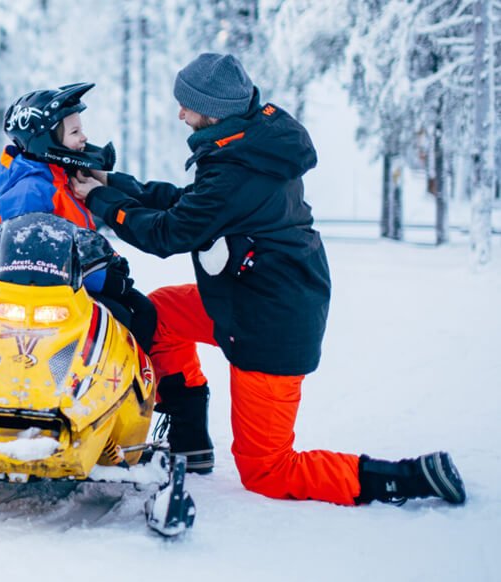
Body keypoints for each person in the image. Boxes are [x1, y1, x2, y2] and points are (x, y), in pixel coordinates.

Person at [71, 53, 466, 506]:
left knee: (268, 471)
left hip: (270, 325)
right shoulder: (247, 148)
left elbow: (170, 232)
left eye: (186, 105)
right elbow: (190, 203)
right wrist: (114, 182)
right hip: (249, 300)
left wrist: (104, 201)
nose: (179, 113)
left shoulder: (237, 168)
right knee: (159, 313)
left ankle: (409, 479)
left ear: (212, 111)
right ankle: (191, 440)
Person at [0, 82, 157, 353]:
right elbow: (38, 263)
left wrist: (110, 263)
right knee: (133, 318)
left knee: (143, 311)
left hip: (73, 285)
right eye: (75, 131)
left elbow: (79, 238)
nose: (83, 138)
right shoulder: (31, 190)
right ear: (47, 139)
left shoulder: (59, 176)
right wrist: (103, 280)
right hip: (49, 296)